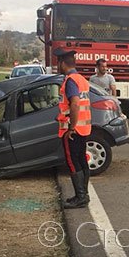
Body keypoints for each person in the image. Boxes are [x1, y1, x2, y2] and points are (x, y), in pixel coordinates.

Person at [55, 49, 92, 208]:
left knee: (73, 162)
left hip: (73, 131)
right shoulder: (82, 79)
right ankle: (84, 194)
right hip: (84, 129)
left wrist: (71, 127)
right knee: (82, 160)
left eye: (58, 63)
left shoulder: (70, 80)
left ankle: (81, 197)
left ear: (62, 63)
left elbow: (75, 103)